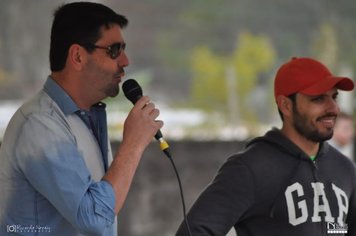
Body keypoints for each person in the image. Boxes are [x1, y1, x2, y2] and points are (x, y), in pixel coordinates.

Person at [0, 2, 163, 236]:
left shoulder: (86, 117)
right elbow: (94, 219)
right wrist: (134, 144)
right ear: (77, 56)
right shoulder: (40, 123)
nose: (125, 61)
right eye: (114, 50)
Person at [176, 57, 356, 236]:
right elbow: (194, 232)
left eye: (334, 97)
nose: (333, 108)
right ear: (285, 105)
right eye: (318, 99)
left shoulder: (345, 169)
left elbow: (343, 229)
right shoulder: (250, 168)